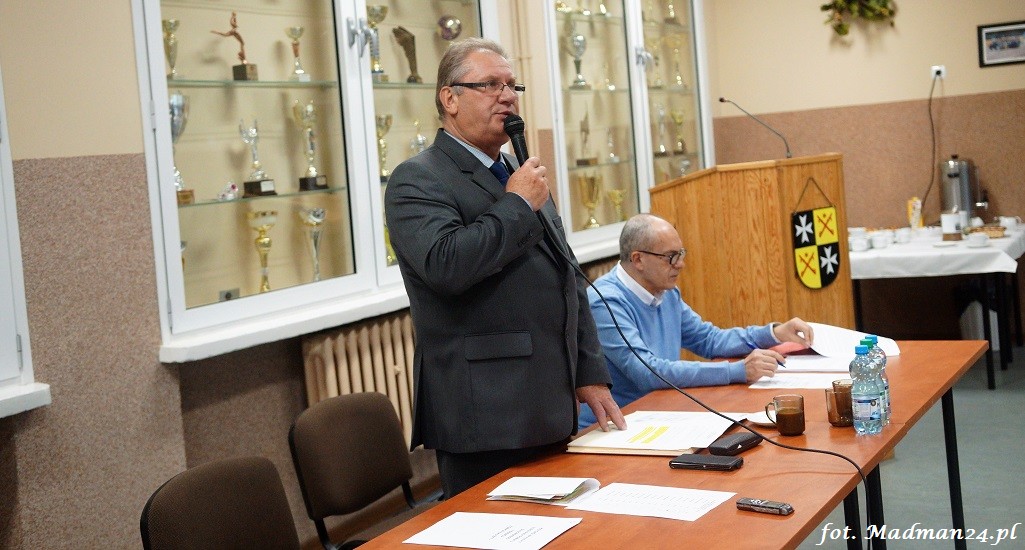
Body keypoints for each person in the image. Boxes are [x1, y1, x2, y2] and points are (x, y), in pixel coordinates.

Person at [384, 38, 626, 498]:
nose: (508, 96)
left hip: (549, 400)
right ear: (450, 98)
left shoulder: (518, 171)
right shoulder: (418, 178)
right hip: (485, 410)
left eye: (512, 85)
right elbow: (447, 265)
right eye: (491, 85)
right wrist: (516, 203)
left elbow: (567, 275)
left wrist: (589, 371)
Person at [578, 213, 814, 429]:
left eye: (681, 254)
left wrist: (773, 333)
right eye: (670, 257)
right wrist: (737, 370)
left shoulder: (665, 291)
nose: (680, 264)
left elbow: (709, 340)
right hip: (613, 427)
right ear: (638, 259)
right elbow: (648, 371)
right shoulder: (605, 301)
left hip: (657, 412)